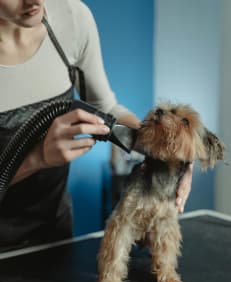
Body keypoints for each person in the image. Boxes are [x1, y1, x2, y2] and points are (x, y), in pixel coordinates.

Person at [0, 0, 193, 252]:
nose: (35, 1)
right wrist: (37, 158)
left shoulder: (71, 18)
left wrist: (173, 152)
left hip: (52, 234)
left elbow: (107, 111)